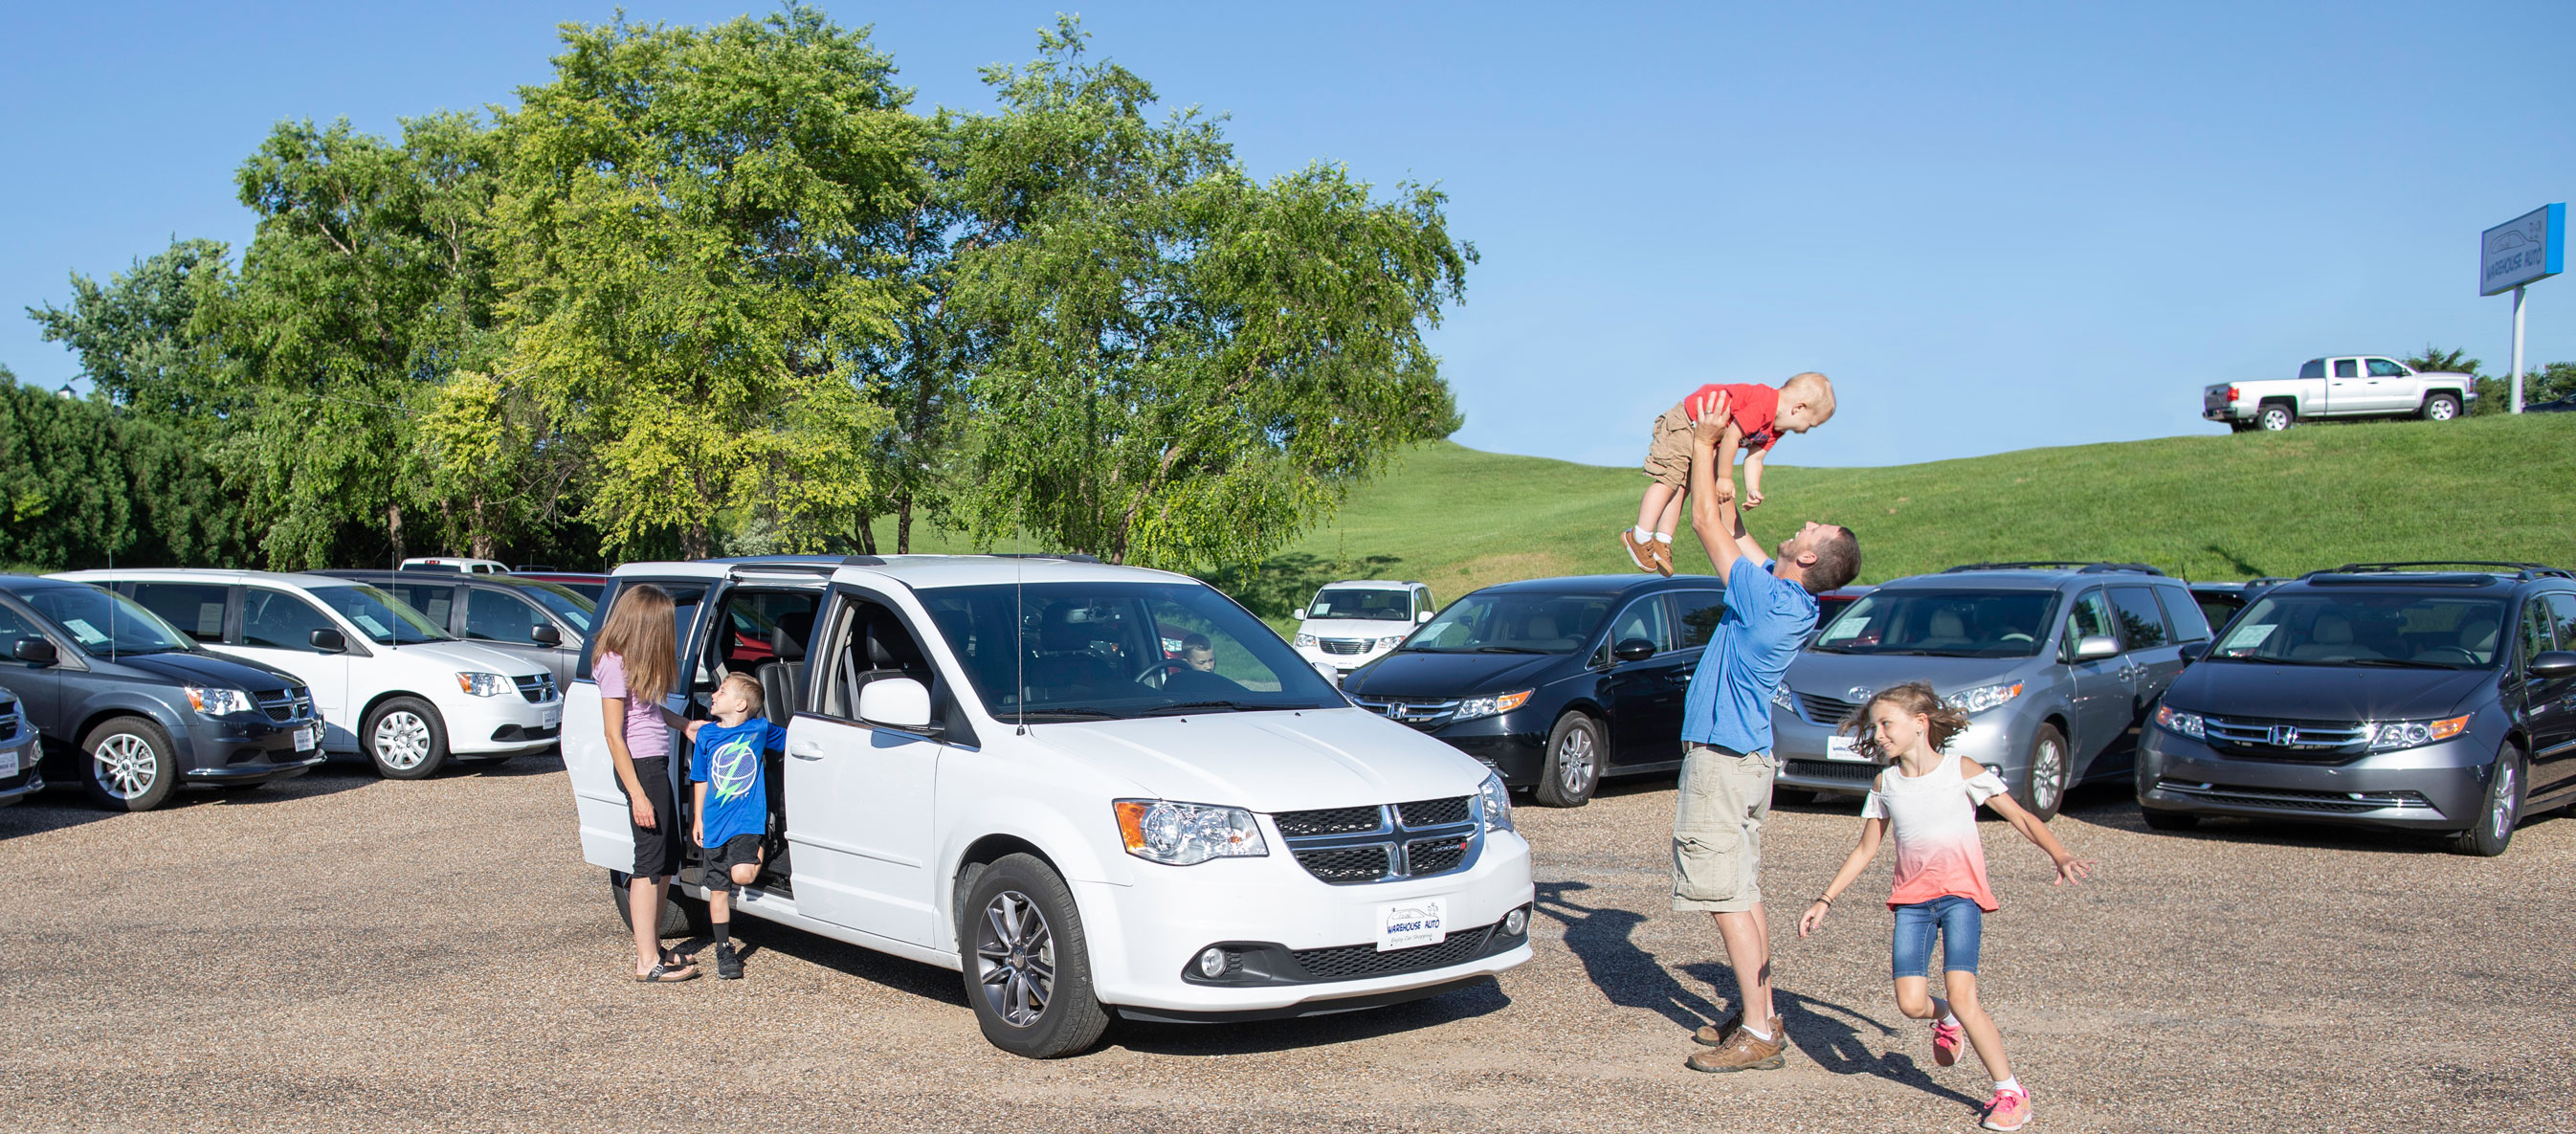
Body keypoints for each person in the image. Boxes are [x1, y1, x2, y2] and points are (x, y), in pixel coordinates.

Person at [1798, 683, 2095, 1131]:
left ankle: (2010, 1092)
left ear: (1920, 724)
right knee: (1912, 1004)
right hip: (1912, 905)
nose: (1878, 734)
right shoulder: (1886, 783)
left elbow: (2022, 816)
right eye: (1874, 726)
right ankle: (1948, 1019)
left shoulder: (1963, 770)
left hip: (1961, 898)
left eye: (1886, 724)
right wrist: (1825, 899)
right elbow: (1865, 850)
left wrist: (2060, 853)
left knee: (1964, 993)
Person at [1674, 404, 1861, 1074]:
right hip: (1749, 758)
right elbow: (1732, 525)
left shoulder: (1770, 599)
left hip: (1725, 760)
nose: (1801, 524)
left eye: (1812, 528)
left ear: (1809, 555)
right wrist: (1728, 453)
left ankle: (1757, 1031)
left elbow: (1703, 523)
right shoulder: (1790, 596)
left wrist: (1698, 445)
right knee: (1745, 891)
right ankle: (1763, 1012)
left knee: (1724, 894)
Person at [1625, 372, 1837, 576]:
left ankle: (1663, 541)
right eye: (1810, 424)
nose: (1805, 430)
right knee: (1668, 480)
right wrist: (1724, 478)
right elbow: (1731, 437)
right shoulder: (1765, 404)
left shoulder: (1775, 430)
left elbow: (1755, 458)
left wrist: (1753, 488)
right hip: (1689, 421)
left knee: (1683, 485)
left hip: (1704, 435)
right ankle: (1639, 535)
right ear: (1798, 408)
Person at [594, 584, 699, 983]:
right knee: (649, 863)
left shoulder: (631, 661)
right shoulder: (612, 663)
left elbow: (648, 711)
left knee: (667, 858)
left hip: (654, 763)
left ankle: (654, 946)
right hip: (640, 769)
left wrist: (685, 724)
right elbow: (613, 734)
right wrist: (637, 794)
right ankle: (645, 962)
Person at [685, 673, 788, 981]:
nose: (713, 695)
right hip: (716, 821)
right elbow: (701, 778)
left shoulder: (758, 729)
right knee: (717, 890)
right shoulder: (706, 736)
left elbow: (792, 740)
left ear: (740, 704)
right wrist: (698, 818)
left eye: (721, 691)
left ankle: (765, 839)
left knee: (741, 874)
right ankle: (724, 949)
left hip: (747, 819)